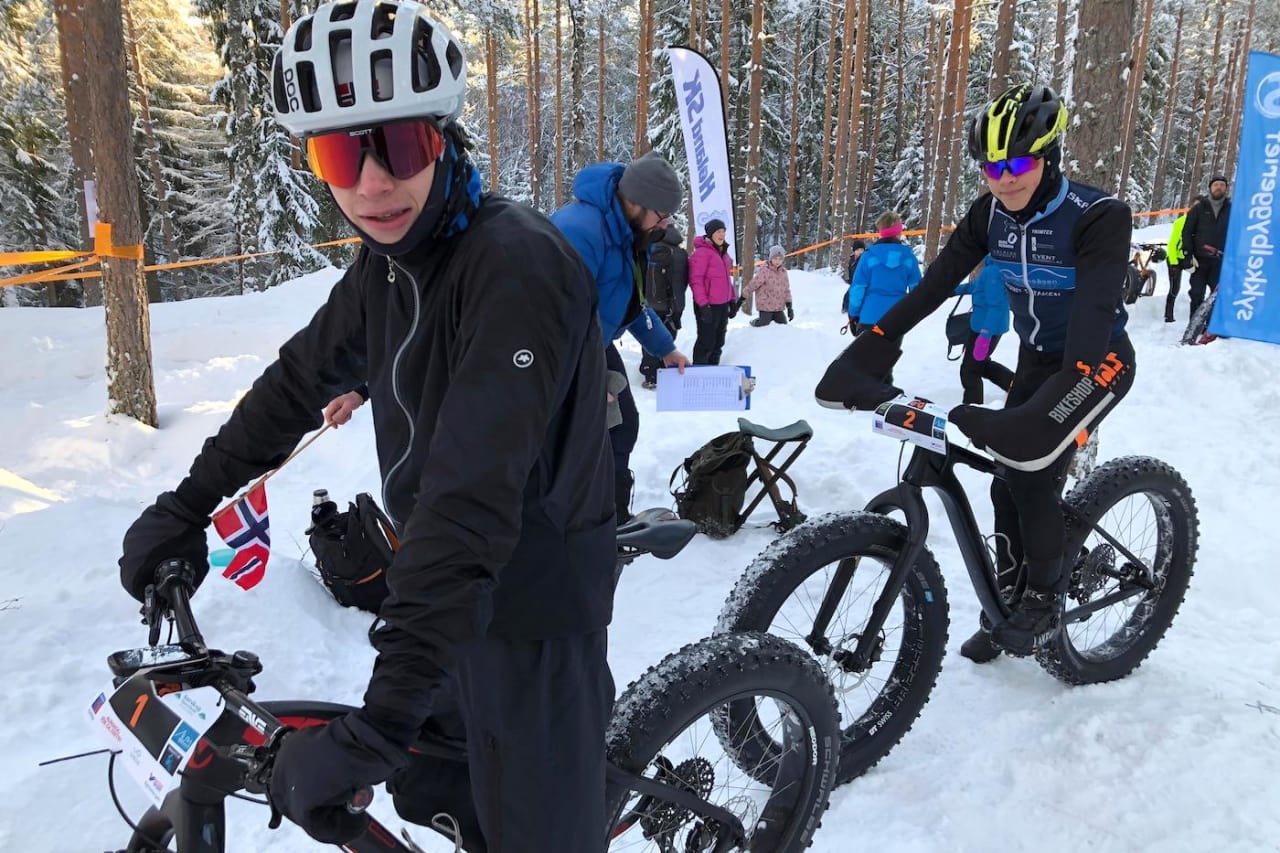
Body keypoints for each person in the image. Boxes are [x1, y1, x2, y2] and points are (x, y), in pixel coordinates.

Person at [116, 4, 617, 850]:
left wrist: (376, 729)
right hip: (445, 590)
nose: (372, 183)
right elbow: (297, 383)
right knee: (439, 792)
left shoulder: (516, 268)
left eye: (400, 145)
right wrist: (188, 502)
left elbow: (470, 503)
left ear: (443, 138)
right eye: (341, 153)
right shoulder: (392, 265)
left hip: (534, 610)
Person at [815, 83, 1136, 660]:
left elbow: (1089, 326)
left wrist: (1046, 409)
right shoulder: (990, 214)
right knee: (1002, 479)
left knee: (1029, 470)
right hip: (1038, 358)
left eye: (1017, 163)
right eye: (990, 167)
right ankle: (1010, 599)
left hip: (1098, 360)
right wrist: (874, 343)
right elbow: (936, 284)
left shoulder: (1097, 217)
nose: (1004, 178)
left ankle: (1040, 600)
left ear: (1047, 157)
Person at [550, 152, 691, 523]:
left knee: (622, 423)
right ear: (637, 202)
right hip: (557, 351)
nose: (664, 224)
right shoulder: (579, 232)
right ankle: (587, 519)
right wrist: (588, 380)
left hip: (593, 341)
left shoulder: (625, 232)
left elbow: (629, 303)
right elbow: (555, 319)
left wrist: (666, 349)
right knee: (589, 433)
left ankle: (610, 513)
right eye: (661, 216)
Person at [845, 211, 921, 334]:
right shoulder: (909, 258)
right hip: (897, 319)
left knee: (866, 353)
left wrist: (853, 314)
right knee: (889, 353)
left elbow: (857, 288)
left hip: (869, 317)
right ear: (899, 231)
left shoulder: (868, 257)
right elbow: (917, 290)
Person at [953, 259, 1014, 405]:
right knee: (982, 365)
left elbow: (997, 306)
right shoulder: (994, 267)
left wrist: (985, 336)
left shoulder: (993, 271)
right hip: (985, 327)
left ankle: (971, 410)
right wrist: (954, 290)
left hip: (985, 329)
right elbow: (978, 286)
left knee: (969, 371)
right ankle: (1017, 386)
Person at [639, 224, 689, 389]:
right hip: (676, 304)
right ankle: (662, 369)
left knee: (651, 338)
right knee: (668, 337)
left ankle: (651, 374)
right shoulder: (681, 253)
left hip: (655, 302)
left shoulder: (654, 249)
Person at [1182, 176, 1232, 318]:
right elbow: (1186, 232)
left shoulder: (1232, 210)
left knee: (1218, 295)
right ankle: (1194, 325)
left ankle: (1212, 326)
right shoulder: (1198, 208)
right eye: (1216, 184)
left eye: (1222, 185)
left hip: (1220, 261)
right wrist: (1187, 254)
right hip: (1200, 260)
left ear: (1226, 188)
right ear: (1210, 188)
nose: (1219, 187)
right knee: (1196, 293)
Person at [689, 218, 737, 364]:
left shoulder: (724, 254)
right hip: (707, 306)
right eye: (718, 231)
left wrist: (732, 300)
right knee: (706, 341)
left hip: (722, 305)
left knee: (718, 341)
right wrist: (703, 305)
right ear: (710, 234)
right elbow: (695, 281)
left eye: (723, 231)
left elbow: (726, 280)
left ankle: (712, 372)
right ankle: (698, 373)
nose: (722, 235)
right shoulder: (701, 253)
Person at [744, 244, 794, 327]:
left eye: (780, 259)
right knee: (764, 324)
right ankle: (754, 323)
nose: (777, 261)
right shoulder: (765, 270)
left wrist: (789, 307)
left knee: (783, 325)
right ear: (771, 258)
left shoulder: (783, 272)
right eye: (775, 258)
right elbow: (754, 283)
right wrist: (744, 294)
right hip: (765, 305)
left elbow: (786, 290)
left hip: (778, 307)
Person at [1164, 210, 1189, 323]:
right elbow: (1172, 244)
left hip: (1188, 258)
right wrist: (1174, 263)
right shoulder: (1181, 222)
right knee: (1175, 288)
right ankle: (1168, 314)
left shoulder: (1202, 223)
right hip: (1175, 259)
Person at [840, 238, 867, 320]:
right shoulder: (852, 259)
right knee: (847, 296)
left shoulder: (864, 259)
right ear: (854, 250)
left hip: (862, 283)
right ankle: (845, 311)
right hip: (854, 282)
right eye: (858, 250)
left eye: (862, 250)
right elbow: (851, 271)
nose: (860, 252)